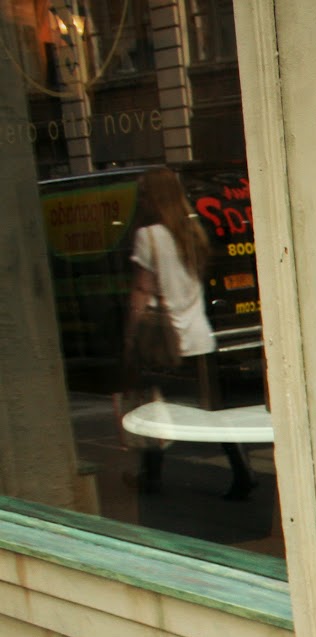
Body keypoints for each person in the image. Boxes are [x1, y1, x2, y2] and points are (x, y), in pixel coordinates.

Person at [123, 166, 254, 499]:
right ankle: (241, 471)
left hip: (166, 341)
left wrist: (131, 334)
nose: (141, 199)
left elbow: (142, 289)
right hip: (199, 335)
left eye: (144, 193)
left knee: (155, 407)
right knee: (211, 411)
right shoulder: (193, 231)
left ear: (154, 197)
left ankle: (151, 477)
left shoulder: (148, 236)